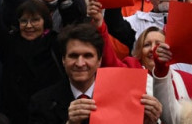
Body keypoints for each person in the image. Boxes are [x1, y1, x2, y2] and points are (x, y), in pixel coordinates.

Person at [26, 23, 162, 124]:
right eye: (73, 56)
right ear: (63, 60)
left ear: (99, 60)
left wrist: (150, 122)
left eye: (88, 56)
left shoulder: (124, 98)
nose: (80, 63)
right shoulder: (41, 102)